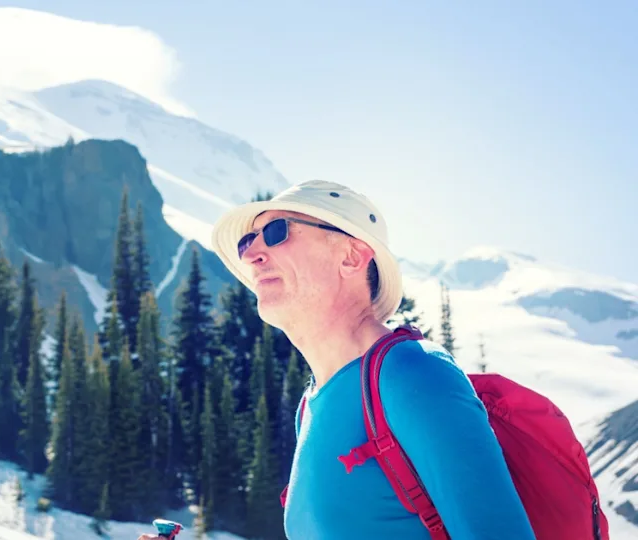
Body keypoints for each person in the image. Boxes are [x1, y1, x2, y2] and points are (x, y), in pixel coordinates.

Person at [139, 180, 537, 539]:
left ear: (351, 256)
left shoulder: (413, 373)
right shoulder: (311, 406)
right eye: (247, 242)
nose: (253, 254)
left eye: (277, 232)